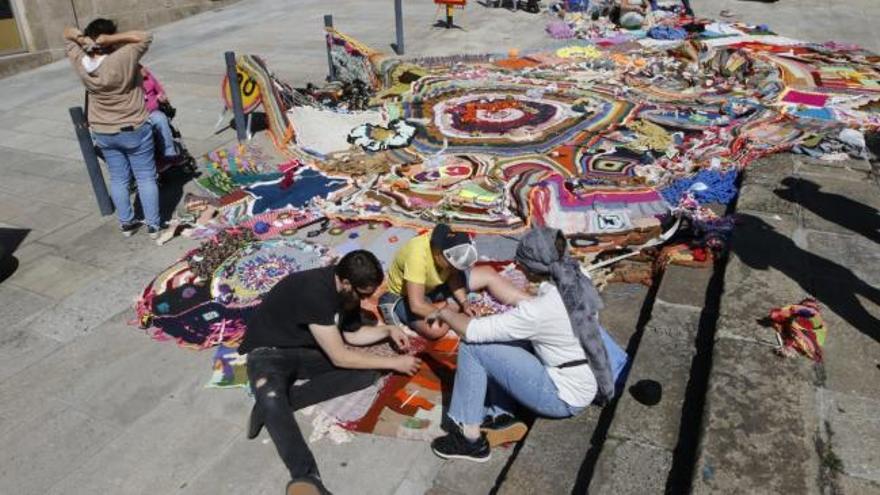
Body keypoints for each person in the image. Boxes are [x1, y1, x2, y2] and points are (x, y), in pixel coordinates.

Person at [428, 227, 619, 462]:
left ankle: (469, 439)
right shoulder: (576, 274)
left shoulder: (538, 312)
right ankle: (503, 415)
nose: (519, 268)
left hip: (561, 397)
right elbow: (541, 315)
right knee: (502, 340)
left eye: (522, 264)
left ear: (531, 267)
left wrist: (445, 313)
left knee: (473, 347)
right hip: (586, 375)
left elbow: (473, 332)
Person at [239, 250, 422, 495]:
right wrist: (394, 363)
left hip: (303, 349)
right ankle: (306, 477)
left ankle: (274, 407)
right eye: (362, 294)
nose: (364, 300)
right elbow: (340, 355)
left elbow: (352, 334)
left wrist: (388, 331)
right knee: (272, 395)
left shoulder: (347, 291)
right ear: (346, 283)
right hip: (268, 352)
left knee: (367, 372)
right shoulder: (314, 292)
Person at [64, 19, 163, 238]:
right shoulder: (124, 57)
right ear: (109, 37)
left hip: (103, 130)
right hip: (133, 126)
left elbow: (67, 32)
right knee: (146, 176)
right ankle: (154, 226)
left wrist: (82, 40)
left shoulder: (80, 60)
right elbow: (145, 35)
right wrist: (112, 39)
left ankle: (126, 223)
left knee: (119, 178)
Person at [378, 224, 529, 339]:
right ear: (437, 253)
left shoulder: (448, 250)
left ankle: (531, 303)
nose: (453, 269)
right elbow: (416, 305)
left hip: (436, 286)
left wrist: (464, 302)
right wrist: (449, 312)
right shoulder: (417, 256)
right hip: (407, 296)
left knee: (489, 274)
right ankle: (449, 305)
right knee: (436, 329)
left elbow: (453, 275)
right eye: (451, 266)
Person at [140, 65, 179, 164]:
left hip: (153, 112)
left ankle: (169, 153)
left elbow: (159, 89)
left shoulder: (146, 74)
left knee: (160, 119)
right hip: (137, 116)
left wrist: (161, 96)